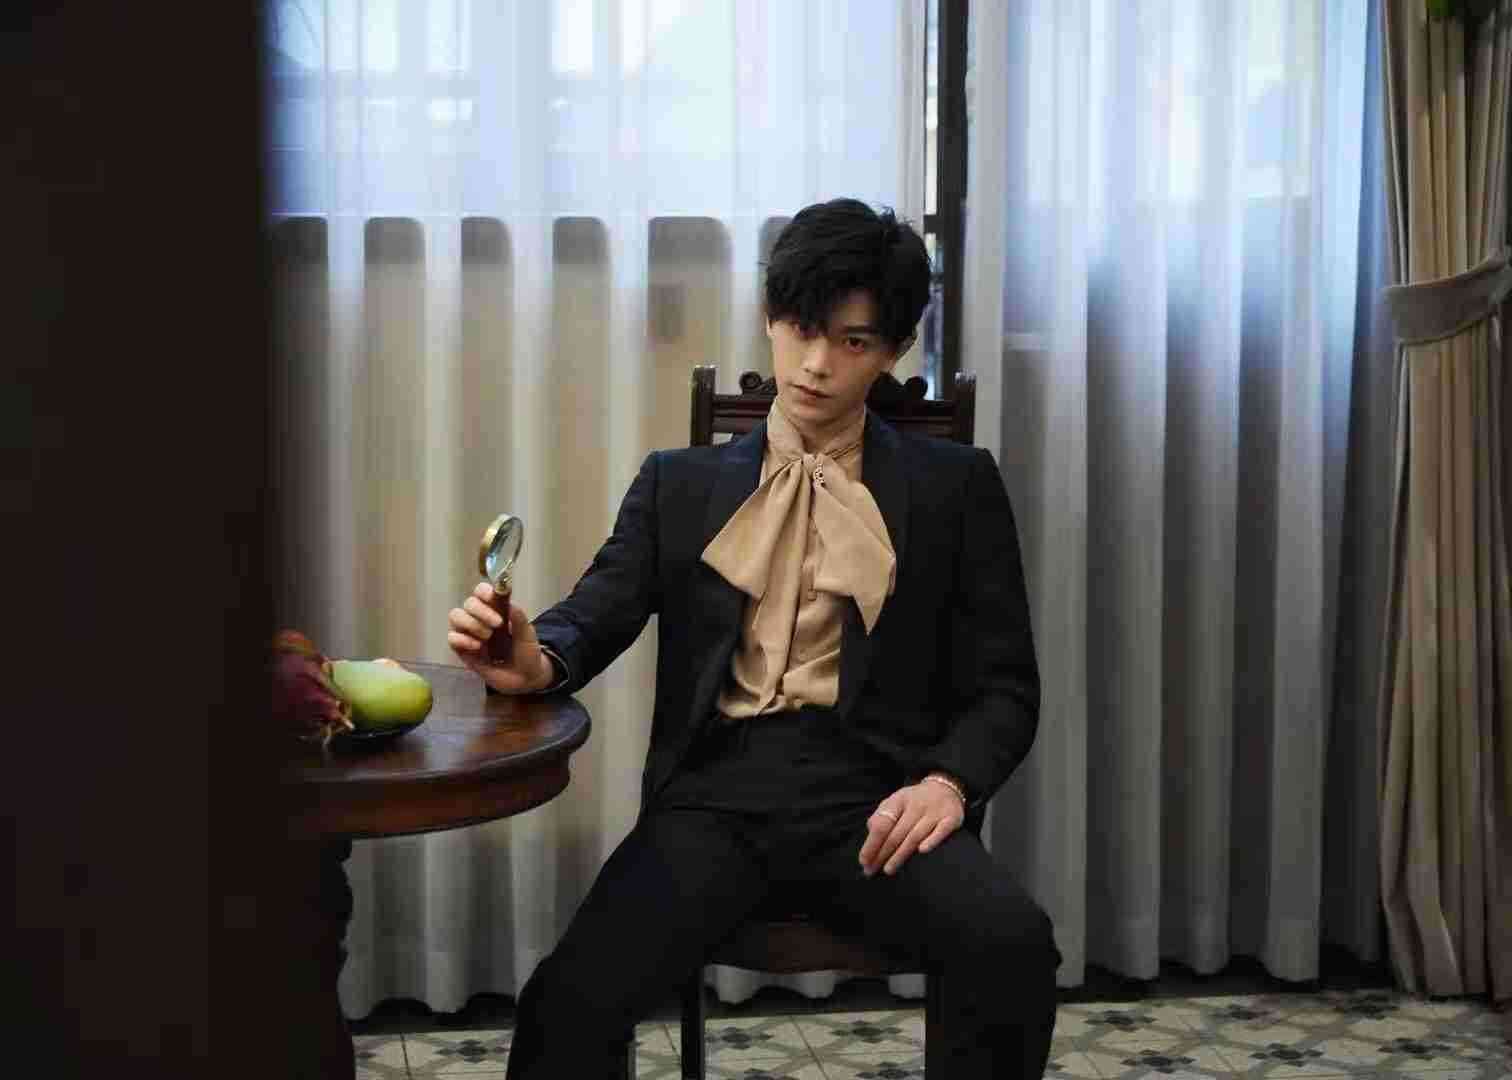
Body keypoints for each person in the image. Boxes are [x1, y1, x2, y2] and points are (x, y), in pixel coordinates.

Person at [447, 197, 1059, 1078]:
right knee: (569, 1001)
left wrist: (948, 783)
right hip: (715, 797)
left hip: (876, 794)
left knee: (1012, 947)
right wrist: (531, 658)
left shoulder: (956, 487)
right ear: (771, 317)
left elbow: (1007, 685)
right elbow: (594, 612)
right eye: (802, 328)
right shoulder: (679, 483)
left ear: (892, 351)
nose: (816, 364)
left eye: (852, 341)